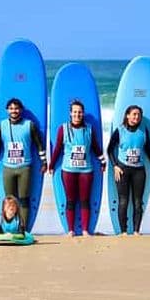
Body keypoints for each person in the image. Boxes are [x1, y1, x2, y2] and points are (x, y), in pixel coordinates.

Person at [48, 100, 106, 237]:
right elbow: (57, 149)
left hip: (86, 170)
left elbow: (96, 148)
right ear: (70, 113)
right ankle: (70, 230)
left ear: (83, 113)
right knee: (70, 200)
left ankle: (85, 230)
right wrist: (51, 165)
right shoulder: (63, 129)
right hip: (68, 170)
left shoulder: (89, 129)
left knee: (85, 200)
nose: (77, 114)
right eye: (75, 112)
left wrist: (102, 161)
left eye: (79, 112)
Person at [0, 98, 47, 232]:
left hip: (24, 168)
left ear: (20, 110)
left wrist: (44, 161)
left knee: (24, 199)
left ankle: (23, 230)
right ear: (7, 110)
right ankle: (7, 229)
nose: (14, 111)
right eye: (11, 108)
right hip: (8, 168)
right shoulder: (2, 125)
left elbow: (39, 144)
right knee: (9, 201)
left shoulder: (29, 125)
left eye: (16, 108)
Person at [107, 105, 150, 235]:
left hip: (139, 170)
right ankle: (123, 231)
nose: (136, 117)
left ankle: (136, 231)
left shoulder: (143, 131)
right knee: (123, 201)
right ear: (127, 115)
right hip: (123, 170)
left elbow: (148, 149)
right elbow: (109, 149)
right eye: (134, 114)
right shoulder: (120, 131)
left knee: (137, 202)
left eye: (139, 115)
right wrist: (115, 166)